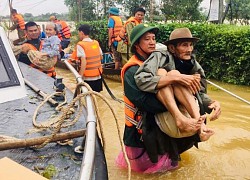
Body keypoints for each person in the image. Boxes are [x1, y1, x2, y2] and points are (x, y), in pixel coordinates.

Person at [116, 24, 221, 173]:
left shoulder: (166, 61)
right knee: (144, 173)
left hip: (163, 132)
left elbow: (195, 91)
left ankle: (197, 128)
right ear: (137, 45)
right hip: (142, 134)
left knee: (169, 171)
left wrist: (210, 102)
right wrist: (179, 92)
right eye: (147, 39)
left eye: (153, 38)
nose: (152, 42)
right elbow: (146, 103)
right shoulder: (132, 71)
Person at [135, 27, 217, 140]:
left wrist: (212, 103)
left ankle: (201, 128)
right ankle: (180, 119)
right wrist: (176, 78)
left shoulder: (193, 64)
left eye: (190, 45)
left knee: (176, 75)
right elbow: (141, 79)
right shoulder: (160, 56)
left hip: (192, 120)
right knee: (168, 72)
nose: (189, 49)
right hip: (170, 119)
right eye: (184, 45)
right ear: (172, 48)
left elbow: (199, 91)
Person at [69, 24, 103, 92]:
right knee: (96, 98)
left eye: (79, 33)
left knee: (86, 98)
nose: (79, 35)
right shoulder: (95, 43)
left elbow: (84, 62)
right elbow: (101, 57)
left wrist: (80, 77)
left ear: (82, 33)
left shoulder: (81, 45)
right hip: (98, 77)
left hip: (88, 79)